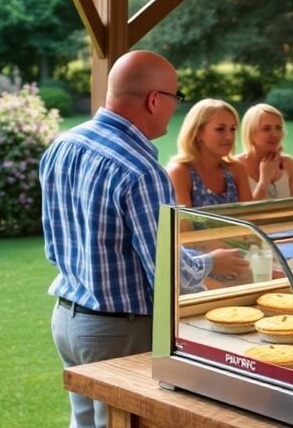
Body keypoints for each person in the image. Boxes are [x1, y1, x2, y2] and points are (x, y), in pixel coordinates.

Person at [41, 51, 245, 428]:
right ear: (154, 100)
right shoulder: (142, 170)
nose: (174, 109)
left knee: (85, 423)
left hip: (68, 318)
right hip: (119, 331)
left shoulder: (63, 144)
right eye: (175, 99)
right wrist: (213, 262)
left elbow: (55, 244)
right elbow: (169, 273)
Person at [168, 99, 253, 207]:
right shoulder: (179, 172)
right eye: (220, 129)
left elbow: (250, 216)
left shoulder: (236, 169)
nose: (230, 136)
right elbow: (183, 223)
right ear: (197, 132)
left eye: (232, 129)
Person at [236, 103, 293, 199]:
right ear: (250, 132)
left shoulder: (288, 163)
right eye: (266, 128)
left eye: (278, 128)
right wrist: (264, 181)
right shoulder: (236, 167)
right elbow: (243, 212)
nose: (275, 134)